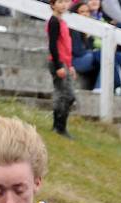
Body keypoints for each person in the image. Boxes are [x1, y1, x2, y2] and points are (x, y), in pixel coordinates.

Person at [45, 0, 76, 139]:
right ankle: (59, 126)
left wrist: (70, 65)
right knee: (64, 94)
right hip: (58, 62)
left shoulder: (62, 22)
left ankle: (60, 126)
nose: (64, 5)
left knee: (67, 95)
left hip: (65, 62)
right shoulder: (54, 22)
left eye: (66, 1)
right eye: (60, 2)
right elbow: (53, 45)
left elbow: (66, 46)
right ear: (53, 4)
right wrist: (58, 65)